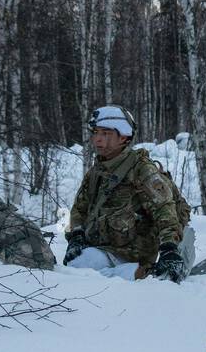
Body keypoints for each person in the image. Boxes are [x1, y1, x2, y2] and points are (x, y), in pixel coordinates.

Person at [64, 105, 194, 280]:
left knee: (82, 268)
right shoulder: (97, 172)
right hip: (103, 249)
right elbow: (79, 208)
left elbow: (165, 211)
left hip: (132, 255)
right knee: (76, 266)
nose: (97, 140)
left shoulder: (141, 170)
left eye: (105, 134)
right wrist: (76, 236)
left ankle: (145, 274)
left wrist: (169, 250)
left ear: (123, 136)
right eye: (95, 133)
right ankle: (130, 277)